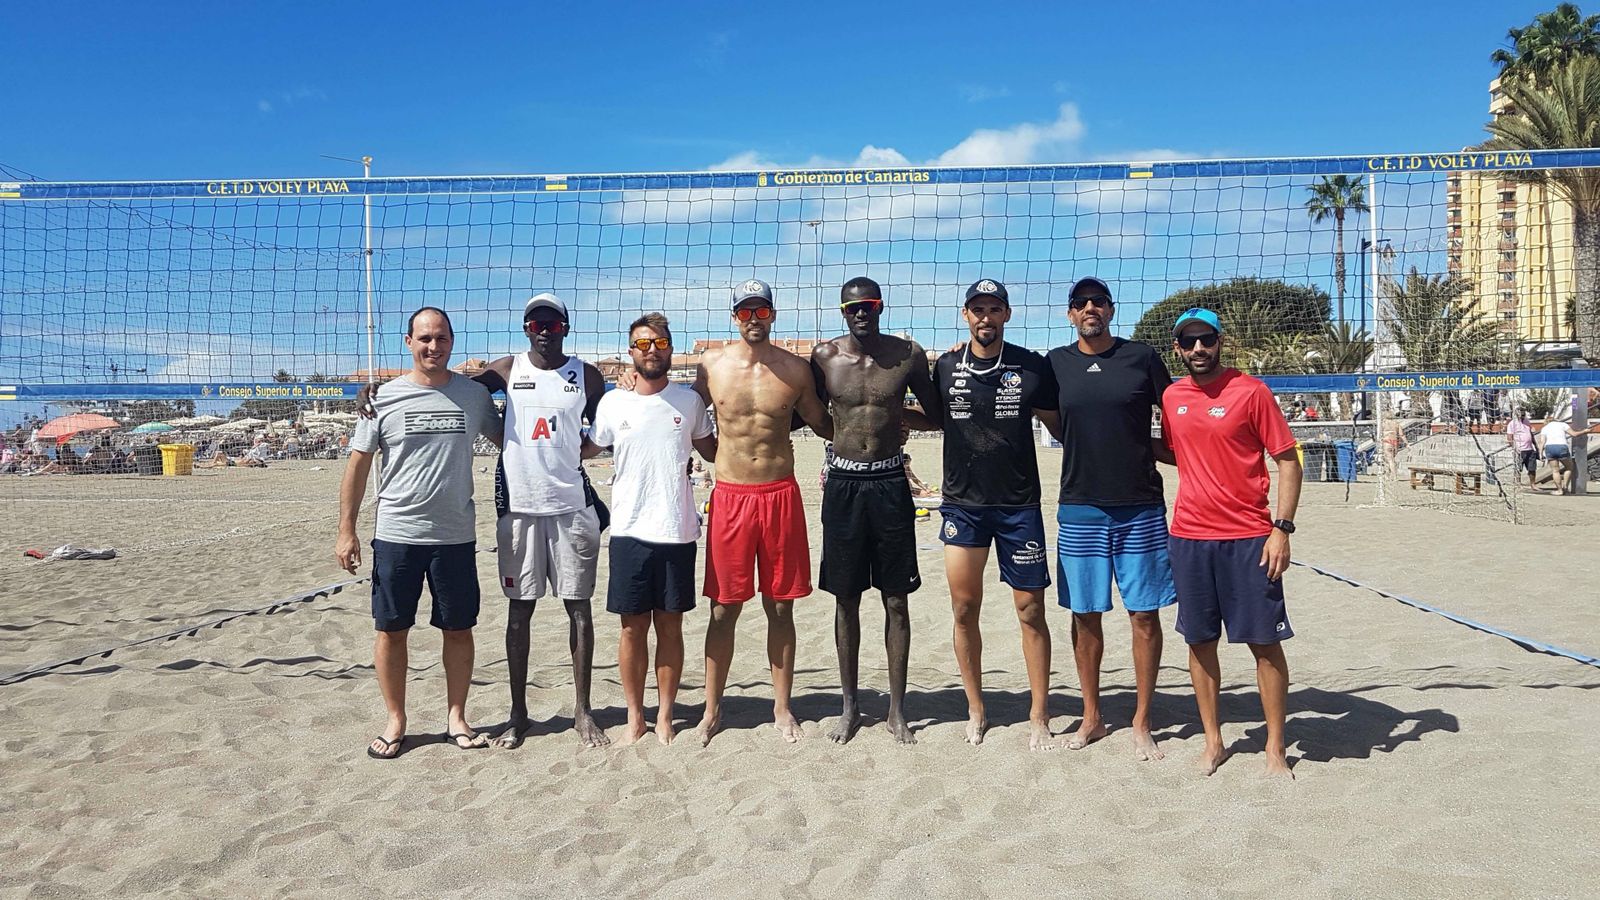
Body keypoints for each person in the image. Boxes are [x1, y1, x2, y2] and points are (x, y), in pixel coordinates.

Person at [335, 307, 504, 760]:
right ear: (407, 342)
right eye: (425, 338)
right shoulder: (382, 399)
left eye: (442, 338)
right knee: (391, 630)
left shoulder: (473, 396)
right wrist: (346, 531)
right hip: (397, 533)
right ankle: (396, 720)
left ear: (453, 342)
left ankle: (456, 717)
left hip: (454, 536)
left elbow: (512, 436)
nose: (433, 346)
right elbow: (357, 466)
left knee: (458, 628)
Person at [1162, 308, 1303, 778]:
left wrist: (1281, 528)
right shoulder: (1172, 395)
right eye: (1189, 341)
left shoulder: (1252, 391)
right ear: (1177, 348)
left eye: (1206, 340)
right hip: (1189, 536)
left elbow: (1288, 462)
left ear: (1221, 342)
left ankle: (1275, 747)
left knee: (1264, 643)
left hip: (1248, 538)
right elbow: (1170, 450)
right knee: (1200, 641)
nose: (1198, 349)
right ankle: (1214, 741)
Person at [692, 279, 833, 745]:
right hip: (731, 495)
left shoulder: (794, 369)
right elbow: (683, 414)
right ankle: (712, 710)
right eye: (745, 312)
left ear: (773, 314)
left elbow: (822, 421)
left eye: (762, 311)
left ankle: (782, 707)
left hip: (779, 495)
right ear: (735, 316)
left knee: (780, 607)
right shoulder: (712, 364)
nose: (754, 319)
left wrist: (887, 422)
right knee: (723, 609)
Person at [1046, 275, 1176, 761]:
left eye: (1099, 302)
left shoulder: (1141, 357)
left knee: (1144, 614)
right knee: (1085, 614)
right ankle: (1092, 716)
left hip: (1140, 504)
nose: (1090, 308)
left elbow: (1179, 413)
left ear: (1111, 309)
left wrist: (1182, 456)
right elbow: (1024, 395)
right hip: (1080, 506)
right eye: (1081, 303)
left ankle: (1142, 720)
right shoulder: (1056, 363)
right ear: (1070, 313)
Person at [930, 279, 1062, 749]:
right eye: (977, 309)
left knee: (1030, 610)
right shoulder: (945, 366)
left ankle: (1040, 714)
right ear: (965, 315)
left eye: (994, 309)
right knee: (964, 608)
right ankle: (976, 709)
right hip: (963, 507)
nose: (986, 317)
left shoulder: (1032, 365)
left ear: (1007, 315)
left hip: (1018, 506)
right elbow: (927, 416)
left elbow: (1061, 425)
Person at [812, 276, 941, 745]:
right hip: (844, 482)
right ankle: (849, 706)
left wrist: (896, 419)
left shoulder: (906, 355)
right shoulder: (824, 357)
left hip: (889, 481)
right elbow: (807, 413)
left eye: (867, 306)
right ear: (842, 312)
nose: (860, 313)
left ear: (880, 307)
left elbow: (938, 414)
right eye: (852, 308)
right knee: (845, 598)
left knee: (895, 599)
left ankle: (897, 709)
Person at [588, 313, 718, 745]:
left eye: (659, 343)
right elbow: (584, 447)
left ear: (670, 348)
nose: (651, 351)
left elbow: (715, 450)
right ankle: (634, 715)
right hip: (628, 530)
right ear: (631, 352)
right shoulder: (613, 403)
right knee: (631, 629)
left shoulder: (689, 403)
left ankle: (664, 715)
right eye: (642, 345)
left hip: (677, 529)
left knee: (670, 627)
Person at [1506, 407, 1538, 487]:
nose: (1522, 416)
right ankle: (1518, 483)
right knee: (1518, 467)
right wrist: (1515, 448)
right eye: (1521, 414)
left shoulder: (1527, 421)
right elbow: (1509, 437)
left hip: (1530, 449)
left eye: (1523, 414)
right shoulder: (1512, 424)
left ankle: (1533, 484)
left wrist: (1536, 446)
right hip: (1519, 449)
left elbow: (1530, 434)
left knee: (1532, 468)